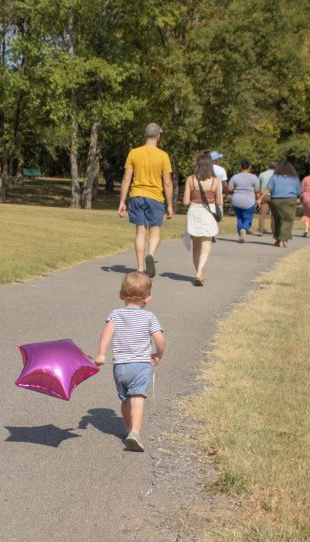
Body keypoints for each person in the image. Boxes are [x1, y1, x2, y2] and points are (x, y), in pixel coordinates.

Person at [93, 272, 165, 453]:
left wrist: (101, 354)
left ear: (120, 295)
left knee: (125, 399)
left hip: (120, 366)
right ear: (148, 298)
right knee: (138, 399)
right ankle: (135, 432)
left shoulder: (115, 314)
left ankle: (127, 428)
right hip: (140, 365)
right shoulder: (149, 317)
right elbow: (159, 338)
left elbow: (106, 335)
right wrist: (159, 354)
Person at [118, 123, 174, 277]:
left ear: (145, 135)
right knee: (155, 231)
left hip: (136, 195)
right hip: (155, 197)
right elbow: (167, 182)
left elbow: (126, 178)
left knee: (140, 232)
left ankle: (141, 267)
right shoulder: (163, 156)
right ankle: (151, 254)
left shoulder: (134, 153)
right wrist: (169, 205)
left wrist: (122, 201)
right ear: (158, 136)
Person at [182, 152, 224, 285]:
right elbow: (218, 202)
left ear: (197, 165)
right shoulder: (216, 181)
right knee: (206, 244)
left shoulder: (190, 179)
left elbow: (185, 202)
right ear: (211, 165)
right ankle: (199, 272)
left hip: (194, 211)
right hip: (208, 211)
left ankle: (198, 273)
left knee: (196, 246)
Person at [262, 159, 301, 248]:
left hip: (276, 200)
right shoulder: (295, 178)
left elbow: (268, 189)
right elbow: (299, 191)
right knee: (288, 220)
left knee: (278, 220)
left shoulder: (274, 177)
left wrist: (260, 198)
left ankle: (277, 239)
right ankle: (282, 240)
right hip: (290, 200)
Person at [228, 160, 260, 243]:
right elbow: (257, 191)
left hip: (236, 200)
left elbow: (230, 189)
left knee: (239, 218)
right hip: (249, 201)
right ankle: (244, 229)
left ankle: (240, 233)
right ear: (249, 167)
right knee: (247, 218)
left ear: (240, 167)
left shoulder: (235, 177)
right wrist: (258, 200)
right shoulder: (254, 177)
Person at [257, 161, 277, 237]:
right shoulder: (276, 175)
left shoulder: (262, 174)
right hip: (273, 196)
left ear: (268, 166)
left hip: (264, 196)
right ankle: (273, 230)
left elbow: (258, 186)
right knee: (274, 214)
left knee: (262, 214)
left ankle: (260, 231)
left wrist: (259, 197)